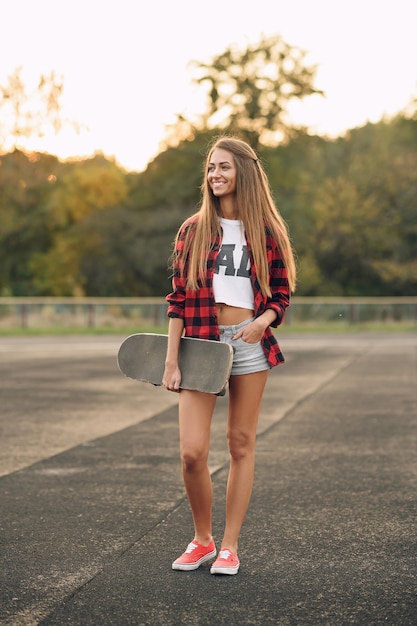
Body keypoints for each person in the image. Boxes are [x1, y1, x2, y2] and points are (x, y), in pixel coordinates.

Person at [162, 136, 296, 575]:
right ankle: (202, 539)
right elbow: (178, 299)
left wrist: (264, 320)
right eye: (211, 168)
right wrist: (171, 360)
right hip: (201, 342)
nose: (215, 175)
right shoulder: (193, 229)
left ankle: (230, 547)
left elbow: (281, 292)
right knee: (191, 452)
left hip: (249, 342)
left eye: (224, 167)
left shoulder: (266, 231)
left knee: (240, 444)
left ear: (244, 172)